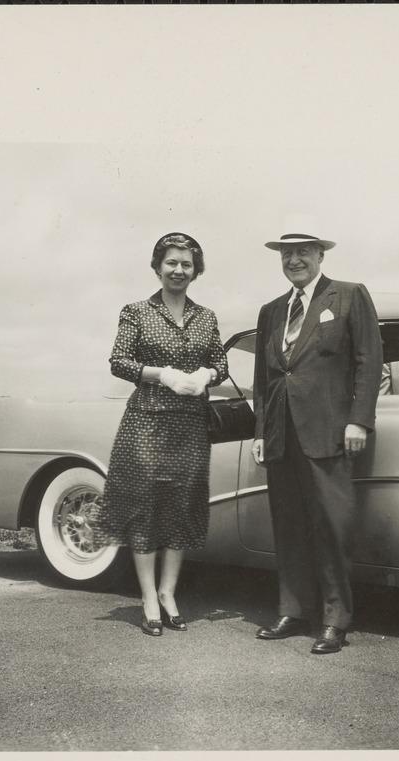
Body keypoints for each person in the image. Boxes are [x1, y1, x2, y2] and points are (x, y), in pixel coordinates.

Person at [251, 232, 382, 654]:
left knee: (331, 527)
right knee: (288, 525)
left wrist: (359, 421)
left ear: (320, 255)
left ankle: (334, 619)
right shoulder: (272, 311)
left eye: (302, 252)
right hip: (281, 435)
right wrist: (259, 432)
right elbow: (264, 380)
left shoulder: (348, 296)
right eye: (287, 254)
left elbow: (369, 360)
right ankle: (293, 610)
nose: (294, 260)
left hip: (329, 433)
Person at [94, 232, 228, 636]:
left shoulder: (206, 316)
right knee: (146, 506)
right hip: (147, 420)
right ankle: (148, 596)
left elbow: (220, 361)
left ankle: (169, 593)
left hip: (190, 423)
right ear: (157, 266)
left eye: (187, 264)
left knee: (182, 505)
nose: (178, 270)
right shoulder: (136, 311)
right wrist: (162, 375)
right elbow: (119, 361)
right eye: (171, 262)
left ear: (196, 271)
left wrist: (208, 374)